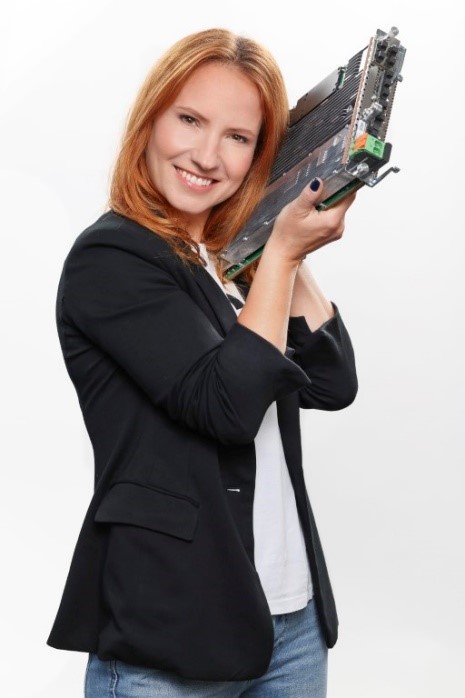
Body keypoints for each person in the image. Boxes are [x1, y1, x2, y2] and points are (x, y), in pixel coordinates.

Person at [47, 27, 358, 698]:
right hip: (172, 632)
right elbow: (227, 409)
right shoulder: (112, 258)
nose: (207, 155)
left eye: (238, 137)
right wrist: (278, 254)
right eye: (189, 120)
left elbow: (332, 383)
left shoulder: (227, 264)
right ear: (151, 119)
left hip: (292, 622)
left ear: (259, 156)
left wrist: (277, 242)